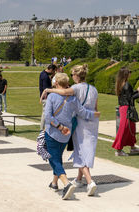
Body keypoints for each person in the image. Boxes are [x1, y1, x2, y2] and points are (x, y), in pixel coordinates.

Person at [42, 64, 99, 196]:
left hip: (65, 128)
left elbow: (60, 96)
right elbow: (89, 109)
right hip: (83, 126)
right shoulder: (92, 90)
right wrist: (94, 115)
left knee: (60, 157)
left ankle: (75, 183)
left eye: (73, 75)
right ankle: (58, 182)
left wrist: (49, 90)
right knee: (62, 155)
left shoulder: (72, 90)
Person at [112, 67, 139, 156]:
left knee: (131, 128)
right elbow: (130, 98)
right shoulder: (127, 84)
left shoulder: (121, 84)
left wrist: (137, 91)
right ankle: (118, 150)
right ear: (126, 74)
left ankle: (132, 147)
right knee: (124, 129)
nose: (130, 73)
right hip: (127, 108)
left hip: (124, 108)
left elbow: (128, 94)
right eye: (129, 72)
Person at [39, 64, 57, 130]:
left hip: (44, 96)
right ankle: (42, 129)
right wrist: (53, 87)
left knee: (45, 113)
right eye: (54, 71)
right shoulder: (45, 76)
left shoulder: (42, 73)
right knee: (45, 113)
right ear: (51, 69)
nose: (54, 72)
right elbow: (46, 89)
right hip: (46, 97)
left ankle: (43, 128)